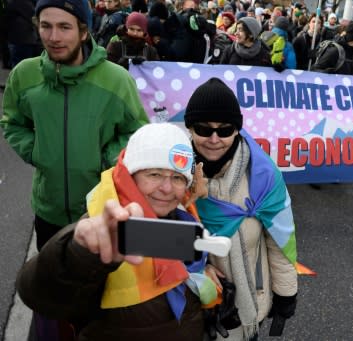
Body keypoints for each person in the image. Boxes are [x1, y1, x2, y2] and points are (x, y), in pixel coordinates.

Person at [16, 123, 219, 340]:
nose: (167, 188)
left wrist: (203, 272)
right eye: (154, 174)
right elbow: (41, 296)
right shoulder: (106, 229)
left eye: (177, 178)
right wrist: (80, 254)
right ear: (131, 176)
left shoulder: (183, 217)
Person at [0, 0, 149, 251]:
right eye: (45, 26)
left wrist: (104, 160)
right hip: (48, 211)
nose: (54, 37)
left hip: (100, 209)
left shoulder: (117, 80)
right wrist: (37, 151)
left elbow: (136, 133)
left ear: (83, 31)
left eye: (64, 27)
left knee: (92, 287)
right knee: (52, 282)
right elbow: (12, 123)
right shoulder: (24, 74)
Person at [184, 78, 299, 340]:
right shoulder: (171, 173)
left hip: (248, 300)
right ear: (190, 128)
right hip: (186, 301)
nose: (214, 139)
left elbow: (280, 240)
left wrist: (286, 292)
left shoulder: (264, 175)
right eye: (203, 129)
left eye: (224, 130)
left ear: (237, 130)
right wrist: (196, 268)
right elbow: (154, 236)